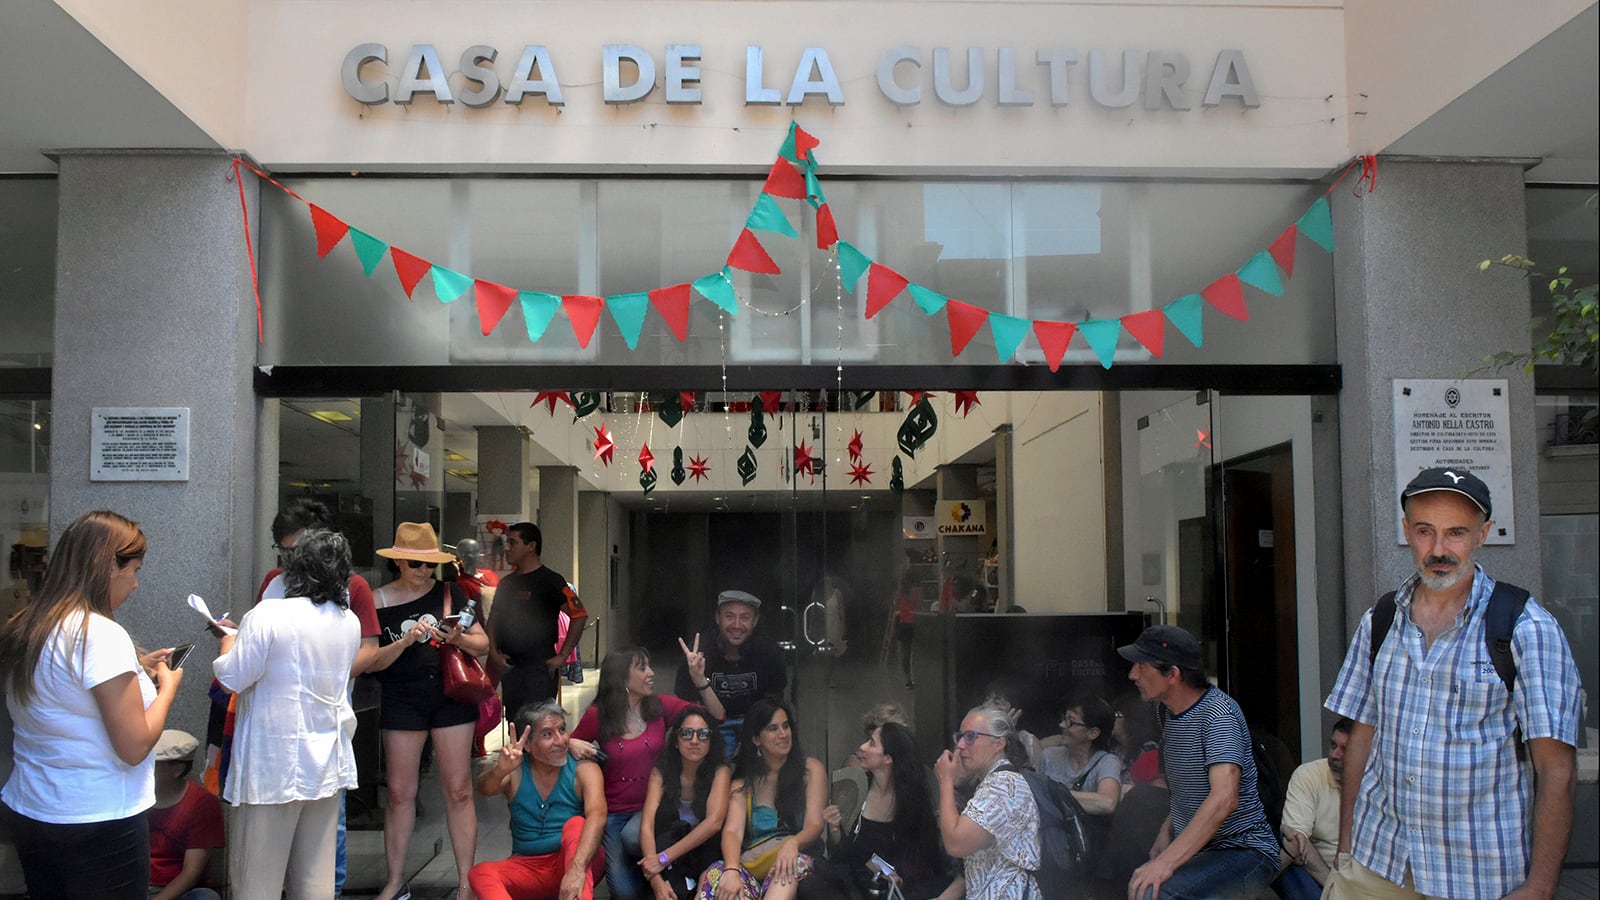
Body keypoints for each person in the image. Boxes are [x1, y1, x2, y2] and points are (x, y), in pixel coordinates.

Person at [1324, 468, 1581, 900]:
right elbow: (1363, 737)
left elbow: (1557, 769)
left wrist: (1540, 886)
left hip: (1477, 875)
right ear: (1406, 531)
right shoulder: (1381, 621)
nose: (1439, 549)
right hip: (1376, 863)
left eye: (1456, 532)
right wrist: (1346, 846)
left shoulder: (1526, 628)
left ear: (1483, 534)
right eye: (1425, 531)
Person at [0, 510, 183, 899]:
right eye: (134, 570)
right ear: (108, 567)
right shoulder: (99, 634)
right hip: (98, 815)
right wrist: (167, 688)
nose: (135, 584)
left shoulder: (28, 623)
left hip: (32, 806)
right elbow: (133, 747)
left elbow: (61, 695)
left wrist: (135, 670)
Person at [213, 528, 361, 899]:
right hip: (327, 759)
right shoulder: (349, 621)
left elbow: (233, 676)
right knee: (315, 879)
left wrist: (227, 641)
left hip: (271, 764)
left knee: (256, 880)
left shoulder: (269, 614)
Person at [368, 521, 492, 900]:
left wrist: (457, 637)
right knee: (400, 793)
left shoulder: (451, 593)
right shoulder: (377, 600)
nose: (422, 572)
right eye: (414, 564)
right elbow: (369, 660)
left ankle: (466, 882)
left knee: (458, 789)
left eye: (429, 566)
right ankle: (394, 879)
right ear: (399, 562)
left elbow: (483, 643)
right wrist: (405, 643)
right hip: (401, 696)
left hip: (450, 694)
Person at [1119, 624, 1278, 900]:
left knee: (1154, 893)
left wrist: (1166, 862)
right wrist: (1167, 829)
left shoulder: (1218, 716)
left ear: (1173, 674)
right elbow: (1190, 787)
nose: (1132, 675)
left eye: (1142, 667)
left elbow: (1224, 798)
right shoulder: (1166, 712)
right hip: (1201, 849)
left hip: (1242, 850)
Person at [567, 646, 727, 900]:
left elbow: (716, 716)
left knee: (634, 837)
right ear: (622, 678)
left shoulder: (660, 706)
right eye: (642, 668)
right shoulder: (599, 715)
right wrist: (569, 742)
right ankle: (647, 868)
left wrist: (700, 679)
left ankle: (658, 865)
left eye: (650, 666)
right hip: (616, 814)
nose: (651, 673)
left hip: (656, 808)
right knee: (624, 894)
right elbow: (561, 747)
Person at [469, 700, 607, 900]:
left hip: (575, 861)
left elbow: (598, 815)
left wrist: (576, 869)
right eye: (547, 734)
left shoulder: (583, 769)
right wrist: (500, 770)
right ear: (528, 745)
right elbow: (484, 788)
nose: (560, 741)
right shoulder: (516, 770)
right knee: (480, 873)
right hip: (527, 867)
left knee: (577, 824)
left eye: (562, 730)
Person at [698, 699, 826, 900]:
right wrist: (732, 870)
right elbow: (733, 831)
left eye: (786, 726)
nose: (783, 734)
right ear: (756, 739)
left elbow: (815, 824)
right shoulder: (742, 784)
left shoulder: (811, 770)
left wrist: (792, 844)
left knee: (788, 868)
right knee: (716, 874)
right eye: (773, 729)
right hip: (754, 864)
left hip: (795, 856)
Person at [822, 721, 963, 899]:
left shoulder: (913, 799)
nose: (862, 747)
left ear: (888, 758)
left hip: (898, 886)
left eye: (872, 743)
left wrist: (894, 874)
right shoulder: (856, 788)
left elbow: (923, 857)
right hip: (855, 882)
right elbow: (841, 854)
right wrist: (834, 829)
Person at [934, 703, 1040, 900]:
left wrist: (946, 781)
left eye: (970, 737)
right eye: (960, 736)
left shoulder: (1002, 787)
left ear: (999, 744)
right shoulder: (992, 781)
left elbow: (956, 843)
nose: (960, 745)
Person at [487, 521, 588, 719]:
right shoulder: (506, 584)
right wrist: (493, 653)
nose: (506, 548)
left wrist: (562, 656)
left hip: (540, 667)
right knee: (515, 724)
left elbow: (579, 615)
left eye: (513, 543)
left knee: (540, 724)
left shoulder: (552, 580)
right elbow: (493, 620)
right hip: (510, 666)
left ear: (531, 546)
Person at [674, 590, 788, 757]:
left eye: (745, 618)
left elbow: (776, 700)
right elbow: (687, 706)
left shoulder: (768, 651)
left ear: (755, 621)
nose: (736, 625)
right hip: (711, 722)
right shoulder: (697, 652)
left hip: (755, 721)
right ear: (717, 618)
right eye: (729, 616)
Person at [639, 706, 733, 900]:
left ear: (711, 740)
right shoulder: (661, 771)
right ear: (675, 740)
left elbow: (714, 823)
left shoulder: (720, 771)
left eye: (703, 734)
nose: (694, 741)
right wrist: (655, 879)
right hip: (668, 854)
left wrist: (663, 858)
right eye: (687, 733)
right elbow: (647, 825)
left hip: (706, 854)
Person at [1273, 718, 1351, 900]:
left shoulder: (1379, 784)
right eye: (1333, 745)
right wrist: (1335, 890)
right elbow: (1297, 843)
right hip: (1318, 874)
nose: (1335, 755)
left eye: (1345, 750)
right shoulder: (1310, 775)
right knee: (1289, 840)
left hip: (1361, 879)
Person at [149, 729, 225, 900]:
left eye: (153, 763)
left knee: (206, 897)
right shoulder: (133, 795)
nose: (145, 768)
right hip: (134, 885)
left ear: (177, 769)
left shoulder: (202, 803)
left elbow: (191, 872)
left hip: (177, 891)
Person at [892, 575, 920, 688]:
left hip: (903, 625)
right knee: (916, 653)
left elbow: (895, 608)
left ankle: (908, 679)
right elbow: (919, 605)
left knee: (905, 653)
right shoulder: (916, 592)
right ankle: (916, 677)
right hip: (915, 623)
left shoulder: (899, 594)